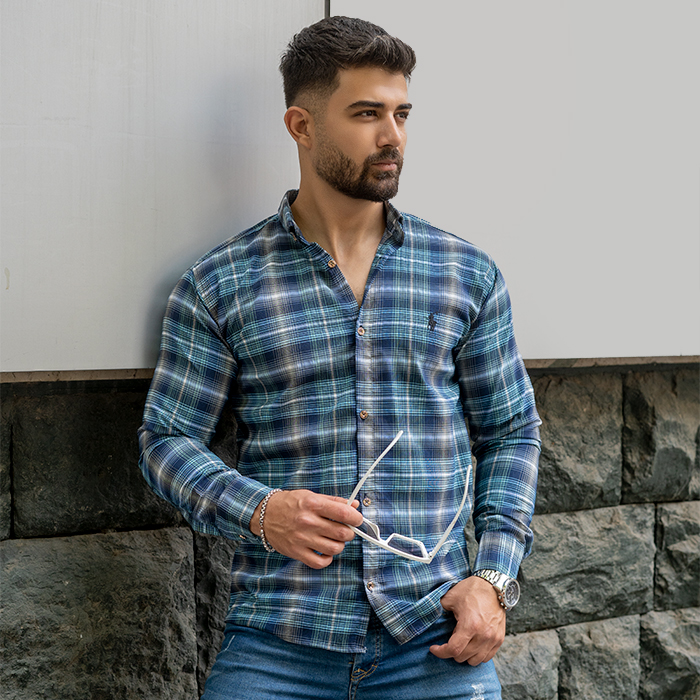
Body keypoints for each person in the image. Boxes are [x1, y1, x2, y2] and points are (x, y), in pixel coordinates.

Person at [138, 16, 540, 700]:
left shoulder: (464, 274)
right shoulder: (220, 283)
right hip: (278, 643)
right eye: (366, 114)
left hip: (435, 642)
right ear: (301, 125)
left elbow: (512, 431)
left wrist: (494, 578)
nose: (393, 136)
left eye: (401, 114)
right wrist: (262, 510)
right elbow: (166, 442)